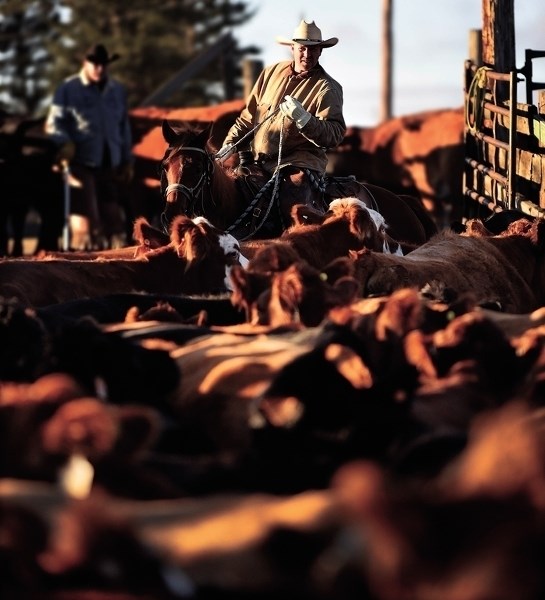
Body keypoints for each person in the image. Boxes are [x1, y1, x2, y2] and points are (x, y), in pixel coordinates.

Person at [216, 19, 346, 228]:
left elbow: (334, 134)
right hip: (259, 162)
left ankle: (300, 250)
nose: (307, 55)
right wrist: (229, 144)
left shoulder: (327, 88)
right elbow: (248, 118)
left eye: (314, 49)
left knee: (294, 208)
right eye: (302, 48)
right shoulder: (270, 73)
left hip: (300, 164)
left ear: (321, 51)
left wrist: (305, 119)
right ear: (292, 48)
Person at [45, 43, 134, 249]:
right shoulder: (68, 88)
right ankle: (83, 261)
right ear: (85, 63)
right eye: (94, 63)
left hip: (109, 162)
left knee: (114, 219)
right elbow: (55, 122)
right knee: (86, 220)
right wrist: (64, 142)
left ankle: (114, 263)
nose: (99, 68)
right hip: (80, 162)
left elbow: (123, 128)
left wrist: (128, 161)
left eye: (103, 64)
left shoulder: (117, 90)